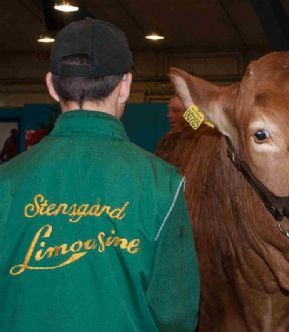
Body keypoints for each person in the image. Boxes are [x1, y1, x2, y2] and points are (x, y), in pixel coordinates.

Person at [0, 18, 199, 332]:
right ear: (125, 86)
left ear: (51, 85)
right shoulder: (163, 185)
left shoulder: (5, 183)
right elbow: (175, 315)